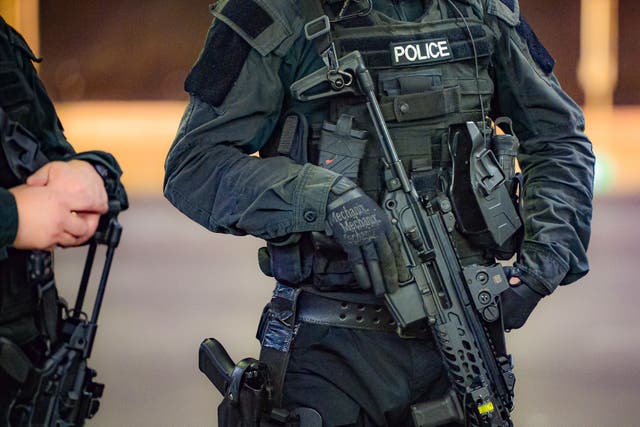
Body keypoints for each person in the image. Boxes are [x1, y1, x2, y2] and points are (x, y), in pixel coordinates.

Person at [164, 0, 594, 425]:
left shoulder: (480, 11)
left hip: (464, 342)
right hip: (333, 357)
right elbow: (194, 165)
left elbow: (560, 142)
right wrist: (328, 200)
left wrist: (543, 265)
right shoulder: (275, 11)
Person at [0, 15, 128, 423]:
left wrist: (91, 172)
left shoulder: (2, 40)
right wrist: (11, 217)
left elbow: (47, 151)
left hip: (29, 360)